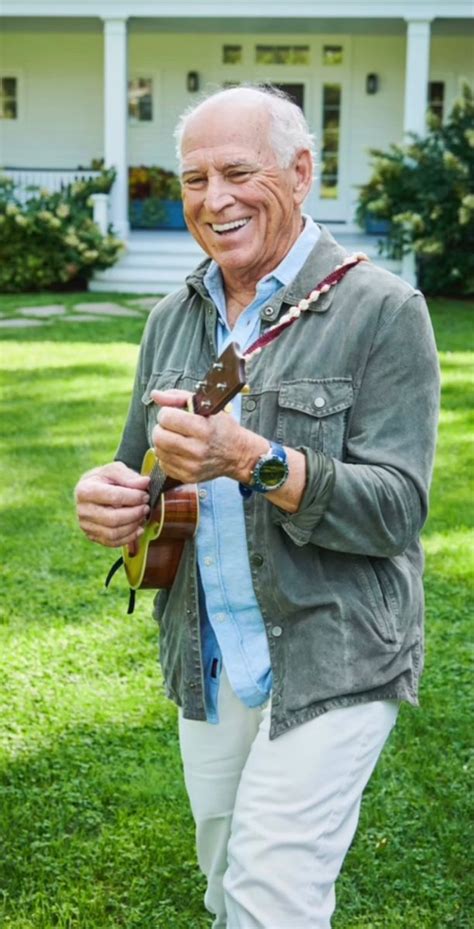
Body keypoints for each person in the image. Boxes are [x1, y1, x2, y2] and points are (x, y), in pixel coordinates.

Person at [75, 85, 440, 929]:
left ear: (301, 172)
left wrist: (256, 458)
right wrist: (108, 497)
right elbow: (138, 471)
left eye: (239, 171)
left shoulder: (383, 309)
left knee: (269, 891)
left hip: (333, 643)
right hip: (210, 650)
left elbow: (396, 510)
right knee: (222, 875)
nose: (214, 199)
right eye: (194, 178)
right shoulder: (173, 317)